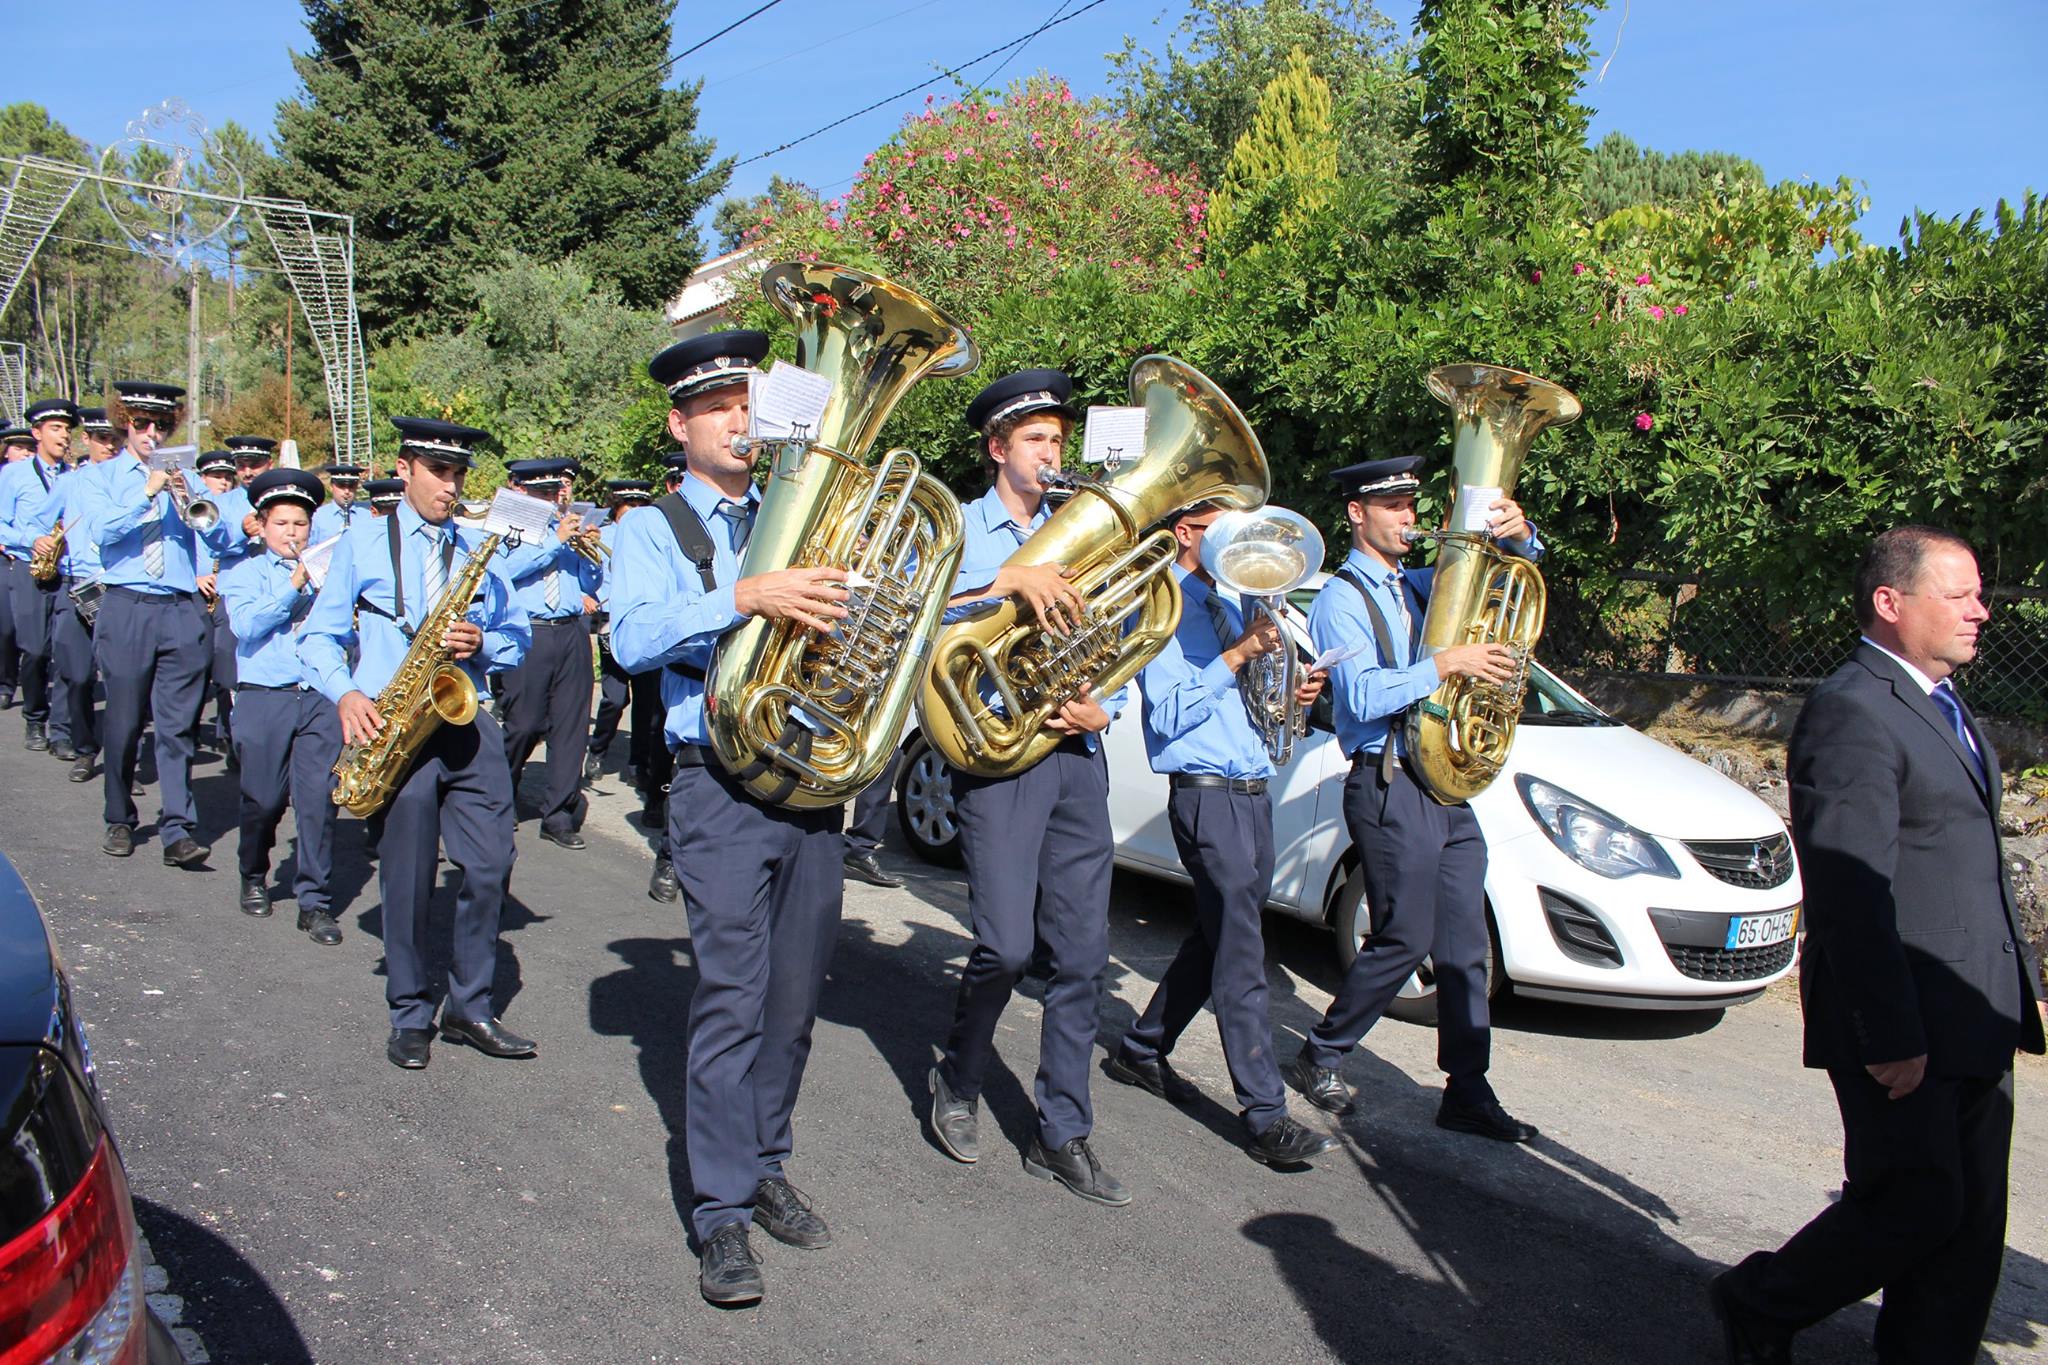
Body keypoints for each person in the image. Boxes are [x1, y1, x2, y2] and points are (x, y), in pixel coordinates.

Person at [1709, 526, 2045, 1365]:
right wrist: (1889, 1033)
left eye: (1980, 595)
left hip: (1973, 1003)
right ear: (1891, 603)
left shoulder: (1939, 700)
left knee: (1969, 1224)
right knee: (1912, 1204)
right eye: (1960, 595)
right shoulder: (1854, 709)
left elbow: (1961, 858)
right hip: (1905, 1015)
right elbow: (1852, 890)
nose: (1981, 611)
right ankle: (1760, 1300)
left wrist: (2014, 981)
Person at [610, 330, 852, 1306]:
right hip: (715, 783)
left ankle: (763, 1163)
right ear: (680, 425)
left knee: (793, 1002)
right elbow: (631, 639)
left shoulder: (799, 512)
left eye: (748, 406)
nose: (739, 423)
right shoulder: (651, 527)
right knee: (730, 1000)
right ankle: (718, 1212)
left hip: (808, 779)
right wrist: (743, 595)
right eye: (717, 410)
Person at [924, 368, 1136, 1207]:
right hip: (996, 752)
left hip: (1076, 756)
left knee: (1081, 956)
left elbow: (1126, 632)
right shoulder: (958, 527)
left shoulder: (1082, 528)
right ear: (997, 448)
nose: (1052, 452)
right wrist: (1004, 582)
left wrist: (1107, 705)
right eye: (1037, 439)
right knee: (1007, 947)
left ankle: (1061, 1131)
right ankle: (959, 1073)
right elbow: (916, 616)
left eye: (1059, 439)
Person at [1288, 456, 1541, 1143]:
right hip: (1388, 780)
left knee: (1464, 947)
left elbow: (1500, 577)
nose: (1409, 517)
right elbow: (1363, 694)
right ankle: (1322, 1051)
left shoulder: (1419, 584)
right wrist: (1446, 664)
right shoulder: (1342, 597)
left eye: (1410, 504)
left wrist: (1519, 538)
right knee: (1405, 936)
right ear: (1357, 514)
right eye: (1394, 506)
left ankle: (1467, 1088)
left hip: (1446, 786)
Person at [1103, 502, 1339, 1167]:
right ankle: (1265, 1113)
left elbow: (1252, 704)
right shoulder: (1164, 607)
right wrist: (1237, 654)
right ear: (1185, 533)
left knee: (1218, 936)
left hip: (1253, 793)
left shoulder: (1237, 599)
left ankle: (1142, 1048)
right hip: (1206, 796)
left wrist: (1292, 690)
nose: (1242, 540)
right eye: (1220, 528)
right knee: (1241, 951)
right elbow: (1169, 715)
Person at [298, 416, 535, 1069]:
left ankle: (469, 1005)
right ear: (404, 469)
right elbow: (318, 637)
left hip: (464, 715)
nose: (450, 486)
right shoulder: (361, 543)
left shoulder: (480, 548)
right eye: (439, 471)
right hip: (393, 720)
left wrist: (483, 642)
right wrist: (346, 694)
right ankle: (408, 1011)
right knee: (405, 876)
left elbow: (518, 637)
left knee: (490, 863)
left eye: (459, 473)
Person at [87, 381, 232, 865]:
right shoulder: (102, 476)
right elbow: (101, 532)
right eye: (142, 423)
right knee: (125, 721)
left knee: (177, 727)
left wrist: (192, 502)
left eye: (162, 425)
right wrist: (146, 492)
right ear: (124, 423)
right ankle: (118, 817)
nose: (153, 432)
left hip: (180, 607)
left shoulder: (186, 478)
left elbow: (219, 539)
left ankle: (178, 828)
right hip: (127, 603)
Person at [220, 468, 345, 945]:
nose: (292, 533)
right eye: (282, 524)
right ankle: (253, 872)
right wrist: (294, 584)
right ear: (261, 526)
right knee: (264, 799)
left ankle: (315, 902)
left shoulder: (331, 573)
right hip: (264, 694)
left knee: (318, 802)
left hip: (318, 696)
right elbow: (247, 627)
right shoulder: (244, 573)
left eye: (300, 524)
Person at [496, 457, 600, 850]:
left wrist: (589, 551)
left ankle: (558, 815)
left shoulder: (567, 527)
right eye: (541, 492)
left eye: (554, 492)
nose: (551, 499)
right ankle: (500, 794)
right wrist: (554, 541)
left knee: (572, 726)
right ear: (521, 490)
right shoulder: (509, 527)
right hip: (529, 631)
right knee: (523, 724)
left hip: (571, 630)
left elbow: (591, 582)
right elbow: (504, 572)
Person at [29, 405, 118, 781]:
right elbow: (36, 521)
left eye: (116, 439)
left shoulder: (134, 482)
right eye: (102, 439)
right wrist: (38, 539)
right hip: (77, 585)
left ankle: (122, 762)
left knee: (122, 680)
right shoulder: (71, 483)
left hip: (120, 586)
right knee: (78, 674)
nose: (110, 446)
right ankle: (83, 747)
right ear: (87, 440)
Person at [0, 398, 80, 753]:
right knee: (34, 651)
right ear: (37, 433)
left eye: (67, 429)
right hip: (29, 568)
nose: (64, 435)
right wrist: (30, 539)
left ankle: (61, 730)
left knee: (65, 652)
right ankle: (34, 717)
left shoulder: (76, 477)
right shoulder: (13, 474)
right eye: (56, 428)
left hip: (67, 573)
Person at [584, 478, 657, 787]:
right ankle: (597, 750)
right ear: (616, 507)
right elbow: (586, 576)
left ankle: (638, 763)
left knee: (646, 700)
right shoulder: (601, 536)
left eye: (641, 505)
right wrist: (584, 595)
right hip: (612, 625)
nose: (636, 511)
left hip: (645, 625)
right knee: (614, 698)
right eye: (630, 505)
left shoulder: (654, 536)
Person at [194, 450, 245, 763]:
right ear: (202, 479)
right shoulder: (198, 507)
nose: (223, 482)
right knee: (200, 668)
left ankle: (230, 736)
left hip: (227, 593)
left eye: (228, 477)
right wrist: (197, 576)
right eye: (217, 477)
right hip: (200, 593)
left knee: (230, 671)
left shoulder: (239, 504)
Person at [0, 425, 41, 710]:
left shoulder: (43, 479)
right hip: (6, 558)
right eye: (18, 448)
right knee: (5, 628)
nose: (25, 453)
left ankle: (28, 688)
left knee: (28, 633)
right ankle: (5, 682)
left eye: (30, 449)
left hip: (27, 559)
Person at [309, 463, 366, 542]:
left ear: (356, 487)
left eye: (351, 486)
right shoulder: (317, 517)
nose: (347, 491)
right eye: (341, 486)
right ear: (331, 486)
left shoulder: (367, 515)